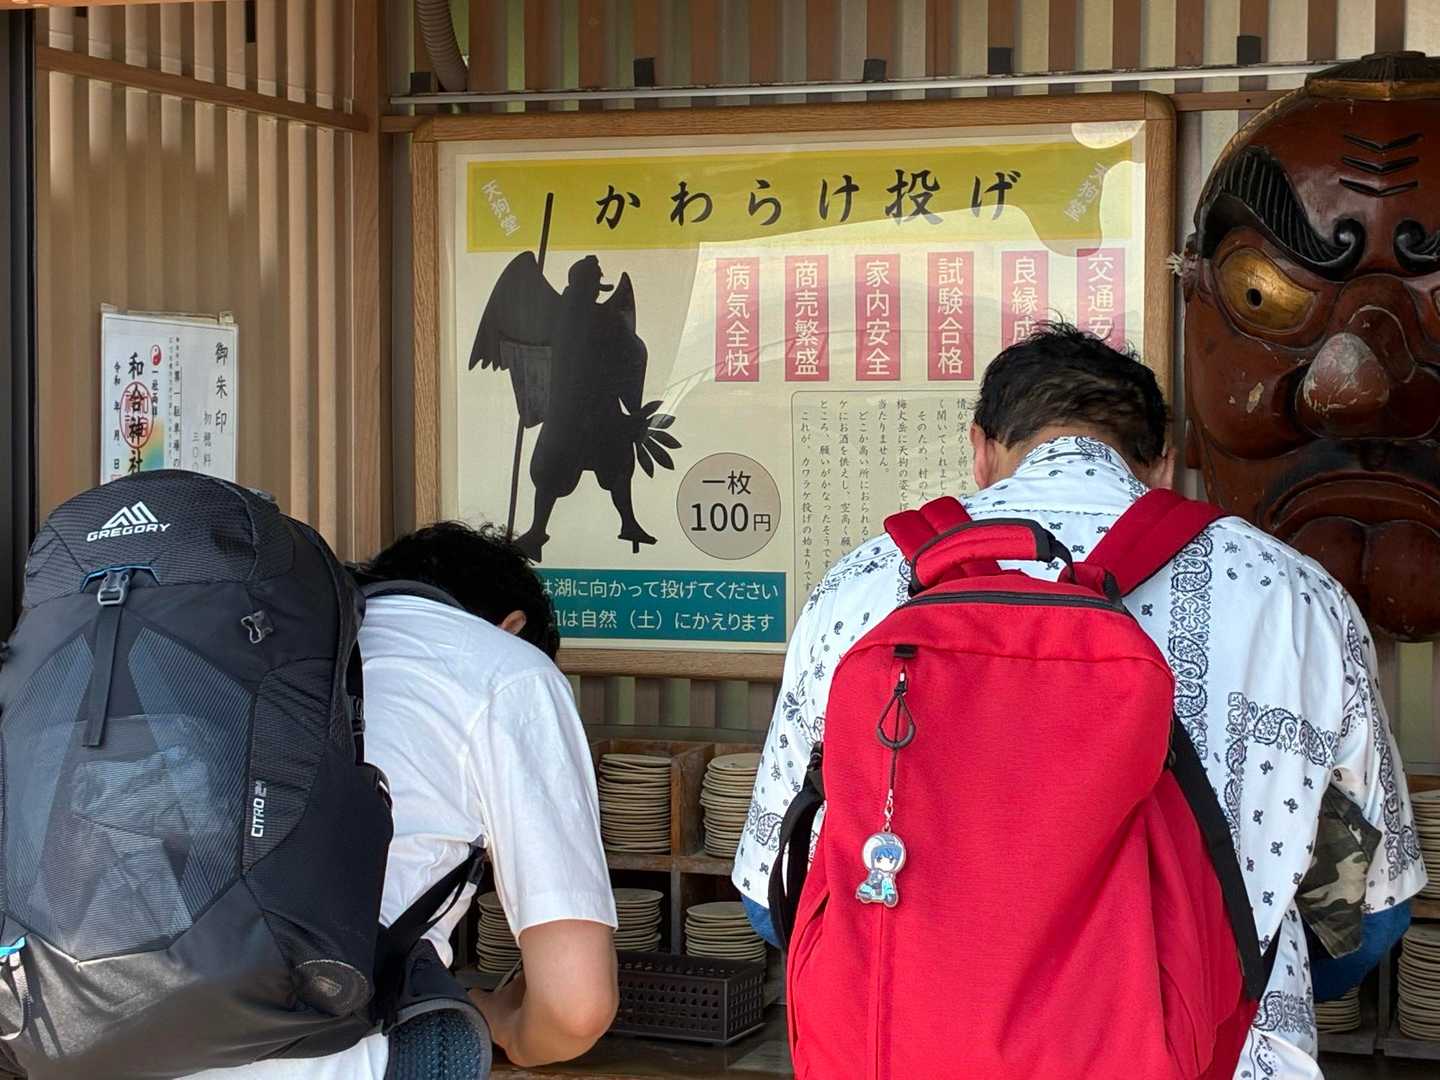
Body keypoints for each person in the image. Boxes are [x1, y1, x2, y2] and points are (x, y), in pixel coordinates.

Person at [733, 325, 1427, 1080]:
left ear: (981, 450)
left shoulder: (858, 590)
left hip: (899, 1053)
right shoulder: (1297, 596)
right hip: (1226, 1055)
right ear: (1161, 462)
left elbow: (775, 895)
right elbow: (1371, 909)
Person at [197, 521, 619, 1079]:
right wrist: (503, 1026)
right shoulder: (507, 669)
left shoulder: (256, 646)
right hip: (327, 1057)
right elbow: (575, 1008)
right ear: (512, 628)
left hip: (128, 1031)